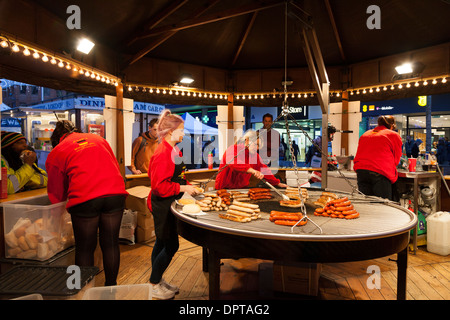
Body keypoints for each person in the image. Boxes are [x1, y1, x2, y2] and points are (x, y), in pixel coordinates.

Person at [46, 121, 128, 286]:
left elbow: (56, 192)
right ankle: (111, 288)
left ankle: (82, 290)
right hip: (115, 193)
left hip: (85, 197)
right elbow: (113, 165)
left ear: (57, 138)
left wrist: (56, 217)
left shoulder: (57, 151)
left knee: (84, 248)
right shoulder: (98, 139)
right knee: (111, 244)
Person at [147, 110, 197, 299]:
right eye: (181, 130)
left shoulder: (174, 149)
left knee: (161, 242)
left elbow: (178, 176)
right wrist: (183, 188)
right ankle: (153, 283)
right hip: (162, 204)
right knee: (171, 245)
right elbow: (159, 187)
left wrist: (190, 186)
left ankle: (158, 280)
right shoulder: (163, 153)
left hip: (170, 202)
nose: (184, 133)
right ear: (170, 132)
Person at [215, 130, 288, 190]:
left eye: (258, 146)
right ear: (247, 141)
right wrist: (252, 171)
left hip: (242, 189)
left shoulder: (255, 156)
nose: (256, 148)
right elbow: (234, 164)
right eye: (255, 144)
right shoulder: (233, 149)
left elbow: (264, 170)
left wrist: (277, 183)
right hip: (224, 189)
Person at [353, 115, 402, 200]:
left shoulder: (366, 134)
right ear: (392, 126)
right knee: (383, 206)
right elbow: (396, 159)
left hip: (361, 172)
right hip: (380, 173)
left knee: (365, 203)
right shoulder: (393, 135)